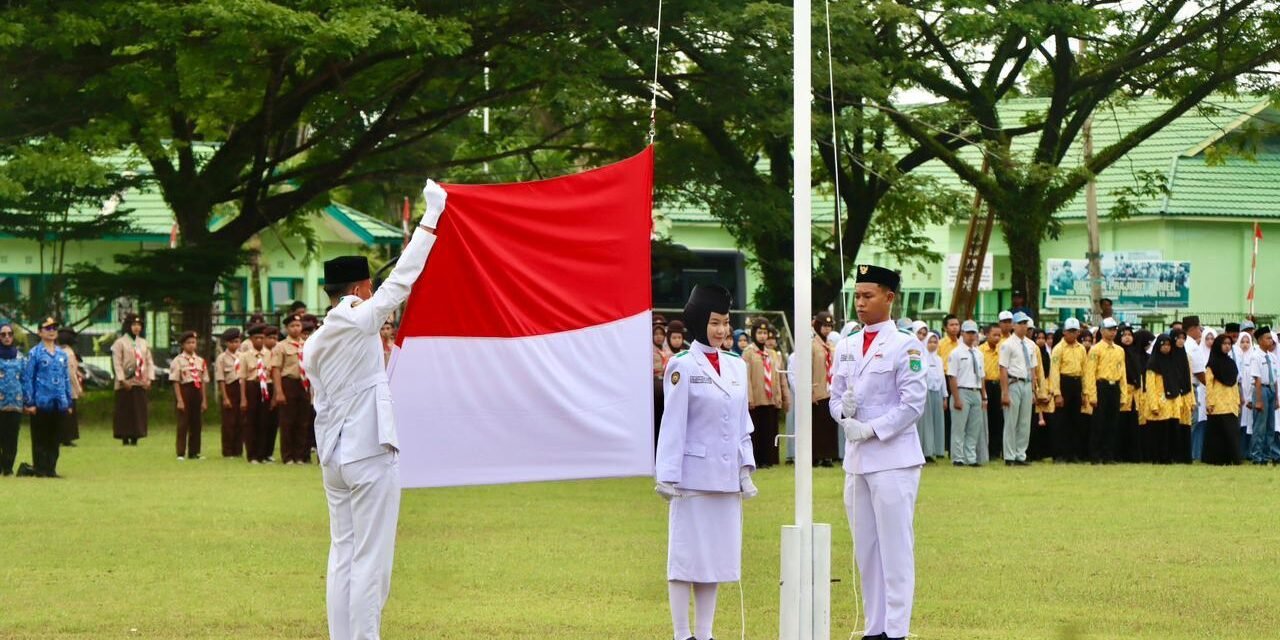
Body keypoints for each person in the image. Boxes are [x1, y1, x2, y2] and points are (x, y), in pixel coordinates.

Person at [303, 180, 445, 640]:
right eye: (368, 288)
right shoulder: (350, 313)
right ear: (359, 287)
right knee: (371, 559)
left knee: (344, 553)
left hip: (336, 456)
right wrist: (429, 222)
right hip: (365, 449)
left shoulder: (317, 338)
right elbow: (398, 286)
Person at [828, 264, 926, 640]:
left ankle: (897, 629)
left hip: (893, 458)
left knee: (895, 547)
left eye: (868, 296)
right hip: (857, 460)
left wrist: (871, 428)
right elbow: (835, 396)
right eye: (857, 296)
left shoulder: (906, 344)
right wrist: (843, 413)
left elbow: (912, 403)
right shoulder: (848, 344)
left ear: (890, 297)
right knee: (866, 548)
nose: (860, 304)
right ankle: (875, 627)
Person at [655, 284, 756, 640]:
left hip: (726, 477)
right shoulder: (681, 366)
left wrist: (746, 469)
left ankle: (705, 633)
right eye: (715, 322)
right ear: (700, 321)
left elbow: (743, 422)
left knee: (714, 558)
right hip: (691, 476)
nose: (721, 330)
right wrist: (666, 474)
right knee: (685, 558)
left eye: (726, 323)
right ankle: (682, 633)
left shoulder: (736, 366)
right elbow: (673, 423)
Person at [19, 318, 74, 478]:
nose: (52, 331)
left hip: (58, 402)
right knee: (40, 437)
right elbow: (28, 378)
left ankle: (51, 468)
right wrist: (29, 402)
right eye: (47, 328)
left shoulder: (61, 354)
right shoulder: (34, 353)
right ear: (40, 332)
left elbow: (65, 379)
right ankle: (40, 469)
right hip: (41, 402)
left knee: (55, 438)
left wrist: (68, 401)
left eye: (54, 328)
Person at [742, 318, 789, 468]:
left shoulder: (773, 354)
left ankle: (769, 459)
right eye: (760, 333)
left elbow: (780, 376)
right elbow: (746, 377)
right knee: (757, 432)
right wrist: (749, 398)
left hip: (771, 399)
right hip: (756, 399)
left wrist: (782, 397)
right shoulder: (748, 353)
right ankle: (756, 460)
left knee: (770, 430)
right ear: (754, 334)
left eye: (765, 333)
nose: (762, 336)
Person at [999, 312, 1039, 465]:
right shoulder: (1007, 344)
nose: (1023, 326)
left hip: (1027, 383)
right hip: (1013, 382)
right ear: (1014, 325)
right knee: (1011, 421)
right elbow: (1003, 368)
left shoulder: (1030, 345)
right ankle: (1009, 456)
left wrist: (1034, 389)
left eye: (1025, 323)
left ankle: (1020, 454)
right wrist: (1005, 392)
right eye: (1020, 323)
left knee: (1024, 421)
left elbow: (1032, 368)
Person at [1084, 318, 1125, 464]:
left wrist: (1123, 395)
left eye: (1114, 329)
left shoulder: (1120, 350)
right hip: (1101, 386)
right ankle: (1095, 455)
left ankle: (1108, 455)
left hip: (1115, 387)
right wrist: (1092, 395)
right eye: (1109, 329)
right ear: (1101, 331)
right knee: (1098, 423)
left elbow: (1123, 373)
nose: (1113, 332)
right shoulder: (1096, 350)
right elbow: (1090, 373)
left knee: (1112, 423)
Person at [272, 313, 311, 464]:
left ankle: (300, 455)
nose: (296, 329)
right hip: (289, 382)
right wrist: (279, 391)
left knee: (303, 421)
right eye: (292, 326)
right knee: (288, 421)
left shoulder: (307, 345)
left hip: (304, 384)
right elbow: (276, 369)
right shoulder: (281, 346)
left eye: (298, 325)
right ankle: (288, 456)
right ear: (287, 328)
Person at [111, 313, 155, 446]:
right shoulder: (120, 343)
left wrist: (150, 379)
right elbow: (117, 362)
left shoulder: (143, 343)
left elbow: (149, 362)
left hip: (140, 381)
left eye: (139, 325)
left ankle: (136, 435)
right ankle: (125, 436)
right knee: (125, 410)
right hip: (126, 382)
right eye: (134, 325)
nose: (136, 328)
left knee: (138, 411)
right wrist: (122, 379)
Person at [947, 320, 986, 467]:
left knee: (974, 428)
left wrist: (984, 396)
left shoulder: (978, 353)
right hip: (962, 391)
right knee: (959, 428)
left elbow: (982, 376)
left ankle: (971, 457)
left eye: (973, 333)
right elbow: (952, 377)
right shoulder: (956, 353)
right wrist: (956, 398)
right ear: (962, 333)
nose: (971, 336)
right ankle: (958, 457)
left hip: (976, 391)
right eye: (968, 333)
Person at [1049, 318, 1089, 463]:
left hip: (1076, 383)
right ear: (1064, 332)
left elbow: (1085, 371)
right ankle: (1059, 454)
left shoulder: (1081, 349)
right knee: (1061, 422)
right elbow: (1054, 372)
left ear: (1078, 332)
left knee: (1076, 421)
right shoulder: (1058, 349)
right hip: (1064, 382)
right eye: (1070, 331)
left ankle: (1073, 454)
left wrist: (1085, 392)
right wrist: (1057, 393)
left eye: (1075, 331)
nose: (1072, 334)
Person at [1142, 335, 1184, 464]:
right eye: (1163, 344)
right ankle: (1158, 457)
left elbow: (1177, 382)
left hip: (1173, 402)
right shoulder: (1152, 364)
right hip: (1160, 402)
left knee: (1172, 430)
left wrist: (1179, 401)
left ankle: (1170, 457)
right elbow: (1150, 386)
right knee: (1160, 432)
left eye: (1169, 345)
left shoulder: (1173, 362)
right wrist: (1153, 405)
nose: (1166, 347)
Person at [1202, 334, 1242, 465]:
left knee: (1232, 432)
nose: (1227, 346)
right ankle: (1216, 460)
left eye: (1229, 344)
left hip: (1230, 403)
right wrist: (1210, 402)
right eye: (1224, 343)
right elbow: (1209, 384)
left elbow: (1235, 384)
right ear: (1218, 345)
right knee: (1218, 433)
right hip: (1217, 404)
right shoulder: (1212, 364)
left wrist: (1237, 401)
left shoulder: (1231, 363)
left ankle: (1233, 459)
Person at [170, 330, 209, 461]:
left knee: (196, 423)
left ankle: (194, 452)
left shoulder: (200, 361)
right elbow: (175, 381)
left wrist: (204, 399)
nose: (191, 345)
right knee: (183, 423)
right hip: (185, 390)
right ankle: (181, 452)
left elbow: (203, 381)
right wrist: (179, 400)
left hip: (197, 391)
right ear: (182, 345)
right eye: (188, 343)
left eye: (193, 342)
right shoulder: (178, 361)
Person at [238, 323, 273, 463]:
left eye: (262, 338)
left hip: (266, 388)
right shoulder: (245, 356)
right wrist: (243, 398)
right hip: (252, 387)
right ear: (251, 340)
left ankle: (262, 454)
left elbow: (272, 373)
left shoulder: (269, 354)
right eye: (256, 338)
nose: (259, 341)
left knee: (264, 422)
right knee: (251, 422)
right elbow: (242, 378)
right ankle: (252, 455)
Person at [811, 311, 840, 467]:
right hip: (817, 390)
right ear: (817, 325)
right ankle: (816, 456)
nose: (827, 329)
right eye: (824, 325)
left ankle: (828, 455)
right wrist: (810, 392)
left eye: (829, 326)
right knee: (817, 425)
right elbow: (807, 369)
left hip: (830, 391)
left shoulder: (831, 345)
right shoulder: (812, 345)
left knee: (829, 424)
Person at [1122, 329, 1155, 462]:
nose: (1127, 338)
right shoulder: (1120, 353)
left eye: (1130, 335)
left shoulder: (1142, 356)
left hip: (1140, 394)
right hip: (1125, 393)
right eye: (1124, 335)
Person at [1248, 328, 1279, 465]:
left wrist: (1277, 397)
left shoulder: (1272, 356)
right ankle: (1257, 456)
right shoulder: (1256, 356)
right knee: (1260, 426)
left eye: (1271, 338)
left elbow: (1276, 378)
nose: (1271, 341)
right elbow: (1257, 379)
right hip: (1261, 390)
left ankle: (1266, 455)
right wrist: (1259, 400)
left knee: (1270, 426)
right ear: (1260, 341)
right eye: (1267, 338)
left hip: (1271, 389)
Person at [0, 322, 25, 476]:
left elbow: (25, 379)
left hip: (15, 403)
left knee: (11, 437)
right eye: (3, 335)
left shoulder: (20, 357)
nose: (7, 337)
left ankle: (8, 468)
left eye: (9, 334)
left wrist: (28, 400)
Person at [216, 328, 245, 458]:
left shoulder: (243, 356)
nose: (234, 344)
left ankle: (238, 450)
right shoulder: (221, 358)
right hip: (229, 388)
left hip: (241, 388)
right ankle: (227, 451)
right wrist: (225, 397)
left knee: (241, 421)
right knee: (229, 422)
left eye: (237, 341)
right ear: (226, 343)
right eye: (232, 342)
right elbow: (220, 378)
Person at [1183, 316, 1209, 461]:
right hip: (1191, 388)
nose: (1201, 331)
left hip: (1179, 388)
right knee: (1191, 422)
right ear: (1192, 328)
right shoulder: (1192, 346)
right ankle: (1189, 454)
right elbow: (1199, 373)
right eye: (1199, 328)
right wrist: (1211, 388)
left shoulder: (1180, 343)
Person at [919, 332, 947, 462]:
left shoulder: (939, 359)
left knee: (938, 422)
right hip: (926, 393)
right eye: (930, 342)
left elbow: (942, 378)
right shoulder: (922, 357)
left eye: (935, 342)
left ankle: (937, 450)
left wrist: (944, 395)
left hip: (937, 392)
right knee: (927, 424)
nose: (933, 345)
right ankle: (926, 450)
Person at [55, 328, 83, 447]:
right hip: (69, 387)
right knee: (69, 413)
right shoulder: (69, 352)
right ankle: (67, 437)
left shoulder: (56, 350)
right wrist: (78, 388)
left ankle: (59, 436)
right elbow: (71, 373)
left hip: (58, 387)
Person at [980, 323, 1003, 463]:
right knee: (986, 419)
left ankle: (996, 451)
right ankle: (985, 450)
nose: (997, 338)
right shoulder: (980, 350)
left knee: (998, 419)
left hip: (999, 385)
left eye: (999, 335)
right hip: (986, 384)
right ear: (987, 334)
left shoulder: (1003, 349)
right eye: (994, 335)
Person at [1235, 331, 1255, 458]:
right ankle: (1240, 452)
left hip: (1251, 394)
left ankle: (1250, 452)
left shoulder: (1253, 357)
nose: (1245, 344)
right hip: (1240, 395)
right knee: (1241, 424)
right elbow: (1238, 379)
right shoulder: (1237, 357)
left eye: (1247, 342)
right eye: (1242, 341)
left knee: (1251, 424)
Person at [654, 322, 670, 449]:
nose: (659, 337)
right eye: (656, 334)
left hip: (665, 388)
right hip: (654, 389)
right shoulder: (649, 350)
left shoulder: (666, 351)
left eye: (661, 334)